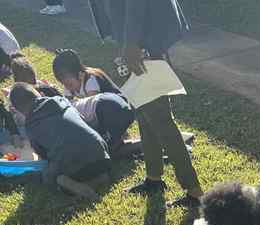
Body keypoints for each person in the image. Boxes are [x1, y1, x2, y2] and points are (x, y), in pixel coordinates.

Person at [88, 0, 203, 209]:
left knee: (160, 120)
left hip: (141, 42)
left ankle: (194, 192)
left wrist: (131, 42)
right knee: (145, 112)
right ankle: (154, 178)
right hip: (134, 37)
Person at [10, 83, 110, 200]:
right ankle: (99, 179)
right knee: (81, 155)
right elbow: (82, 120)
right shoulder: (61, 100)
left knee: (49, 175)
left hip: (77, 167)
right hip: (102, 155)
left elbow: (43, 155)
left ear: (20, 111)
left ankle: (73, 185)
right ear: (39, 94)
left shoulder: (31, 126)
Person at [52, 51, 138, 157]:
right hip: (104, 112)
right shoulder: (70, 85)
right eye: (63, 83)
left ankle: (119, 140)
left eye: (69, 83)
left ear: (79, 73)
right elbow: (66, 105)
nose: (67, 87)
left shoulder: (91, 80)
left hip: (116, 109)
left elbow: (92, 105)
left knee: (108, 146)